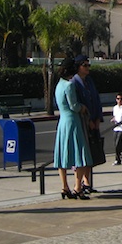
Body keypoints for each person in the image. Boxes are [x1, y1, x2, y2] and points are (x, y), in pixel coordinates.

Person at [53, 57, 92, 201]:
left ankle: (64, 186)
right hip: (72, 121)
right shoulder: (69, 86)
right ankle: (77, 187)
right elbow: (73, 106)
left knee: (62, 155)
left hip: (62, 121)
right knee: (80, 155)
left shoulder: (59, 85)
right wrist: (83, 107)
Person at [73, 55, 103, 192]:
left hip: (94, 120)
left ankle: (87, 182)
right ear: (78, 67)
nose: (87, 68)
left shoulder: (89, 81)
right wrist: (89, 120)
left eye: (88, 65)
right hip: (83, 122)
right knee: (83, 153)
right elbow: (79, 103)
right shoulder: (75, 82)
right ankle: (81, 183)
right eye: (84, 65)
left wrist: (97, 119)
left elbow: (96, 99)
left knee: (92, 152)